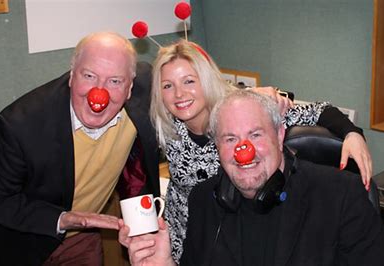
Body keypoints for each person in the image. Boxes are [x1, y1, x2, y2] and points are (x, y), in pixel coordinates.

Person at [149, 40, 372, 261]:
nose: (179, 94)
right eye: (168, 85)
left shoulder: (237, 114)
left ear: (206, 81)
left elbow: (318, 110)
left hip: (233, 233)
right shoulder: (166, 124)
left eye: (189, 81)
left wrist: (352, 134)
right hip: (183, 240)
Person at [120, 90, 384, 266]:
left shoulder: (340, 194)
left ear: (280, 135)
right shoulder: (204, 200)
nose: (243, 151)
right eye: (230, 138)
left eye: (255, 135)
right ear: (217, 146)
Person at [0, 32, 160, 265]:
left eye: (115, 81)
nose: (98, 94)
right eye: (89, 76)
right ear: (71, 76)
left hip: (81, 239)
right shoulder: (20, 125)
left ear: (130, 87)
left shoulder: (145, 87)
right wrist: (65, 219)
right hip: (21, 240)